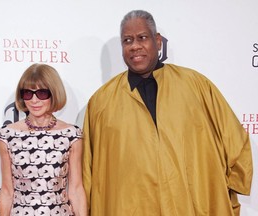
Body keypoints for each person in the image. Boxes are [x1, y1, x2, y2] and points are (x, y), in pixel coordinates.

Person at [82, 10, 253, 216]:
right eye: (127, 40)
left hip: (191, 206)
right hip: (127, 207)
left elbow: (235, 140)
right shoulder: (101, 102)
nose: (135, 45)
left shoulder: (195, 86)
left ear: (158, 40)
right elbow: (87, 172)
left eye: (142, 38)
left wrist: (222, 193)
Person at [0, 63, 87, 216]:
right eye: (27, 93)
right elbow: (6, 191)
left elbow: (76, 189)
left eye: (42, 93)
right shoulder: (8, 135)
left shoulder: (71, 135)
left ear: (54, 93)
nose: (34, 100)